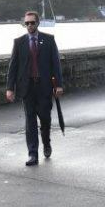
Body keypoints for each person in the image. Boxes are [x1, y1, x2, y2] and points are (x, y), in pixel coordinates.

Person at [6, 10, 64, 166]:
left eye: (32, 22)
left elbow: (56, 64)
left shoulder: (49, 40)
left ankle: (46, 143)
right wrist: (10, 88)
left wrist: (58, 84)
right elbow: (13, 66)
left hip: (44, 86)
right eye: (27, 23)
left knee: (45, 119)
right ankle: (33, 154)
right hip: (27, 87)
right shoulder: (19, 42)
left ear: (37, 23)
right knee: (30, 121)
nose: (29, 25)